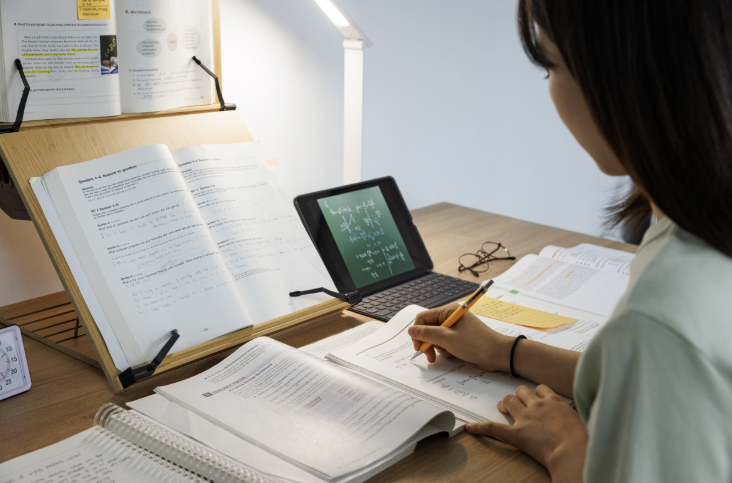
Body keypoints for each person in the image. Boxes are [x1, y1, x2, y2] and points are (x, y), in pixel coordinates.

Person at [408, 1, 732, 482]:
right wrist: (506, 352)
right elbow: (663, 383)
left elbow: (660, 359)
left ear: (623, 80)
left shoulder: (659, 322)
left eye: (549, 66)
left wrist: (566, 449)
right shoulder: (693, 226)